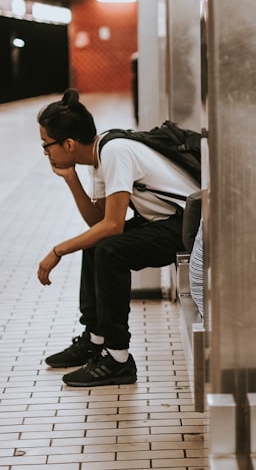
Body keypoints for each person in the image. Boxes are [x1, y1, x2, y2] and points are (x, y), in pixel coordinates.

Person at [36, 89, 200, 387]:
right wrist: (71, 179)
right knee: (96, 243)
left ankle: (118, 357)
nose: (46, 152)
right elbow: (97, 222)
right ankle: (96, 339)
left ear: (69, 144)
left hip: (190, 225)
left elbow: (112, 226)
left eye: (46, 145)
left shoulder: (114, 152)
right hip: (168, 222)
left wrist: (58, 251)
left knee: (110, 250)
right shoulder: (100, 155)